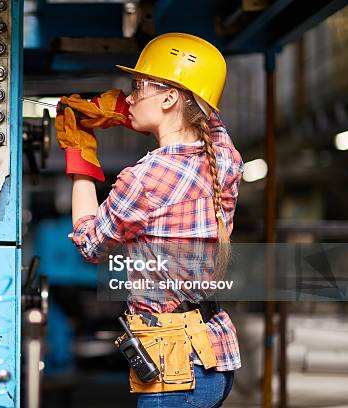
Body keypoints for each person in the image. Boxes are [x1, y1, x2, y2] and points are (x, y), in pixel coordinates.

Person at [55, 33, 244, 407]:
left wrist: (80, 152)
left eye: (137, 86)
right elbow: (206, 118)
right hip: (214, 353)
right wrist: (132, 111)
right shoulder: (223, 156)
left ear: (171, 97)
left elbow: (90, 243)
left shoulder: (146, 176)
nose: (129, 96)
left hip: (175, 366)